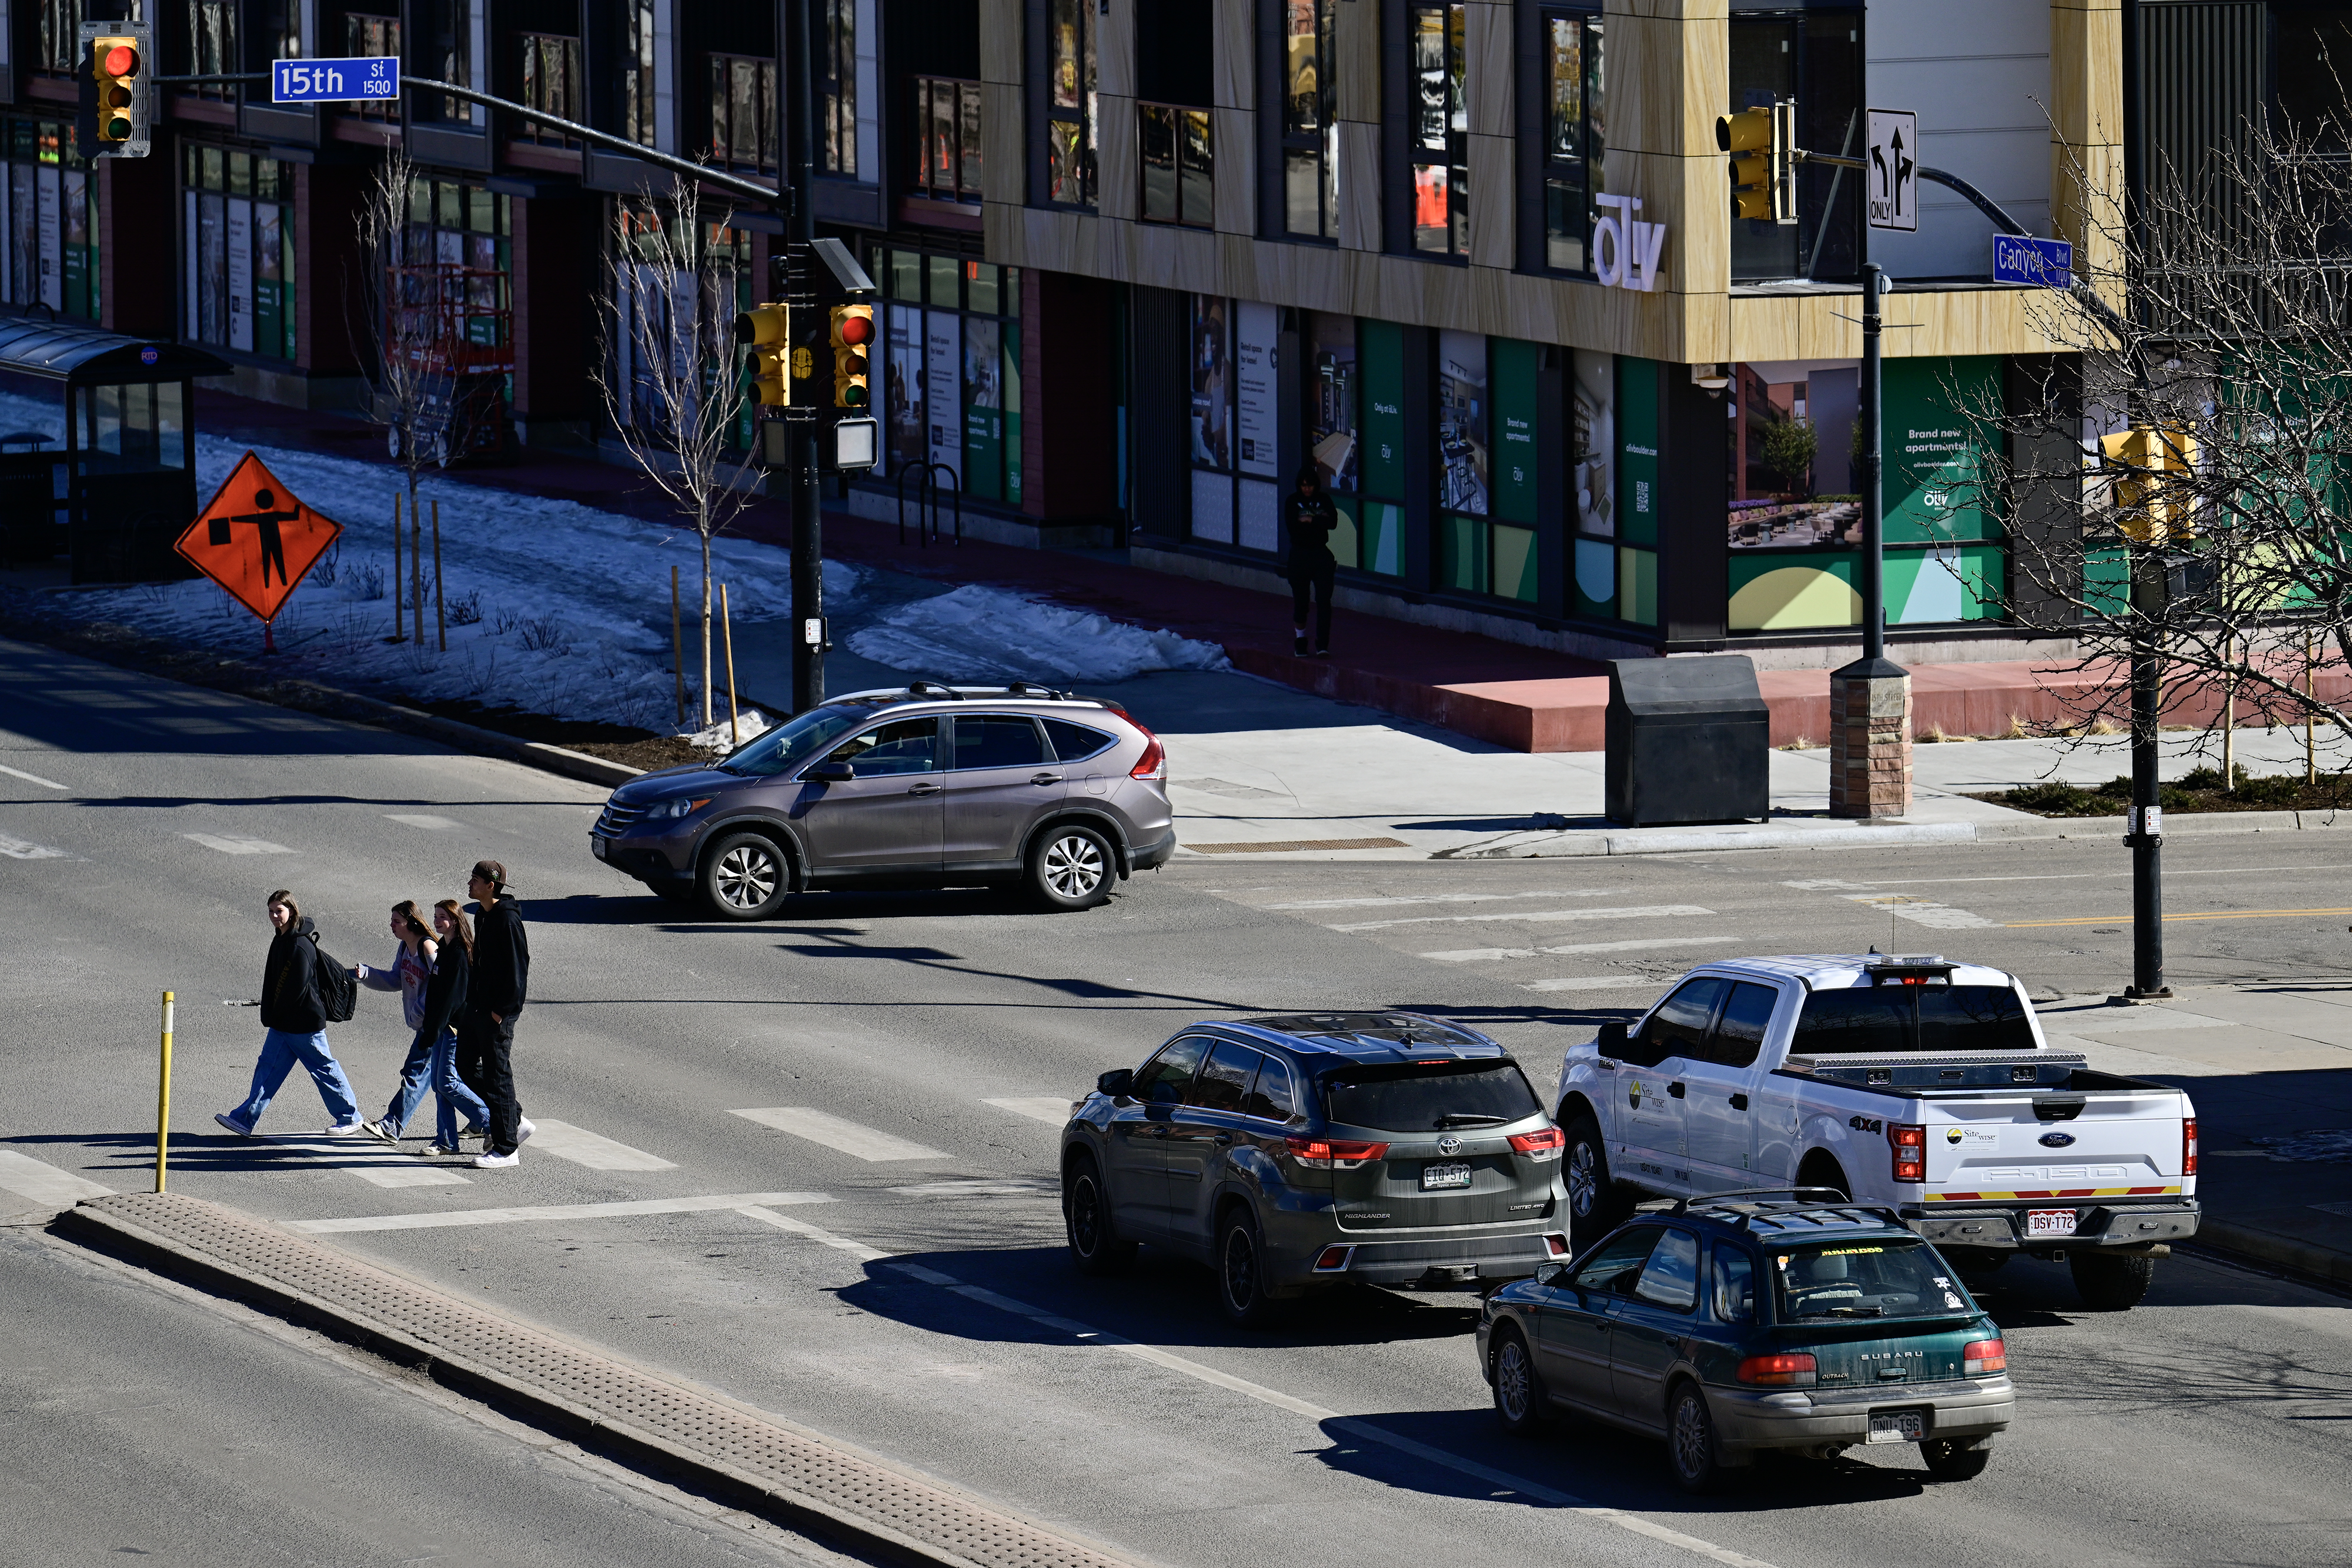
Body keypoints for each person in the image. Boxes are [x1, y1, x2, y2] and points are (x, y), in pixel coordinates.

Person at [216, 890, 363, 1138]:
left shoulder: (300, 945)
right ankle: (244, 1119)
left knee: (323, 1068)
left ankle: (351, 1117)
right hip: (284, 1022)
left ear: (292, 911)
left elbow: (297, 987)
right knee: (268, 1069)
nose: (274, 916)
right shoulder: (282, 938)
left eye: (279, 911)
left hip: (303, 1022)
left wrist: (276, 1012)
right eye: (271, 911)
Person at [356, 900, 489, 1155]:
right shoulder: (412, 947)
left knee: (433, 1078)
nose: (392, 925)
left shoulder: (432, 947)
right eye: (436, 916)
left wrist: (425, 1017)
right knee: (443, 1084)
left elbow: (443, 991)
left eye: (397, 921)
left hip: (440, 1025)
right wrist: (363, 975)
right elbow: (397, 979)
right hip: (431, 1024)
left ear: (410, 921)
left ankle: (491, 1121)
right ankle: (450, 1138)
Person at [458, 859, 534, 1169]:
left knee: (497, 1076)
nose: (469, 884)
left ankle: (506, 1149)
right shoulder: (482, 916)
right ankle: (513, 1118)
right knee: (464, 1065)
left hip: (497, 1012)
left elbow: (519, 968)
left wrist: (502, 1012)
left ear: (491, 886)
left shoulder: (507, 921)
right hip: (477, 1008)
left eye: (475, 880)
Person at [1284, 463, 1338, 657]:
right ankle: (1300, 639)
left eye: (1310, 485)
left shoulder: (1324, 499)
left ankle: (1322, 644)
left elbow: (1333, 522)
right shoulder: (1292, 501)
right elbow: (1293, 527)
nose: (1307, 488)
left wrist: (1310, 520)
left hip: (1321, 555)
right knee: (1301, 601)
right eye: (1303, 485)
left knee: (1324, 600)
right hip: (1299, 556)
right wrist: (1318, 520)